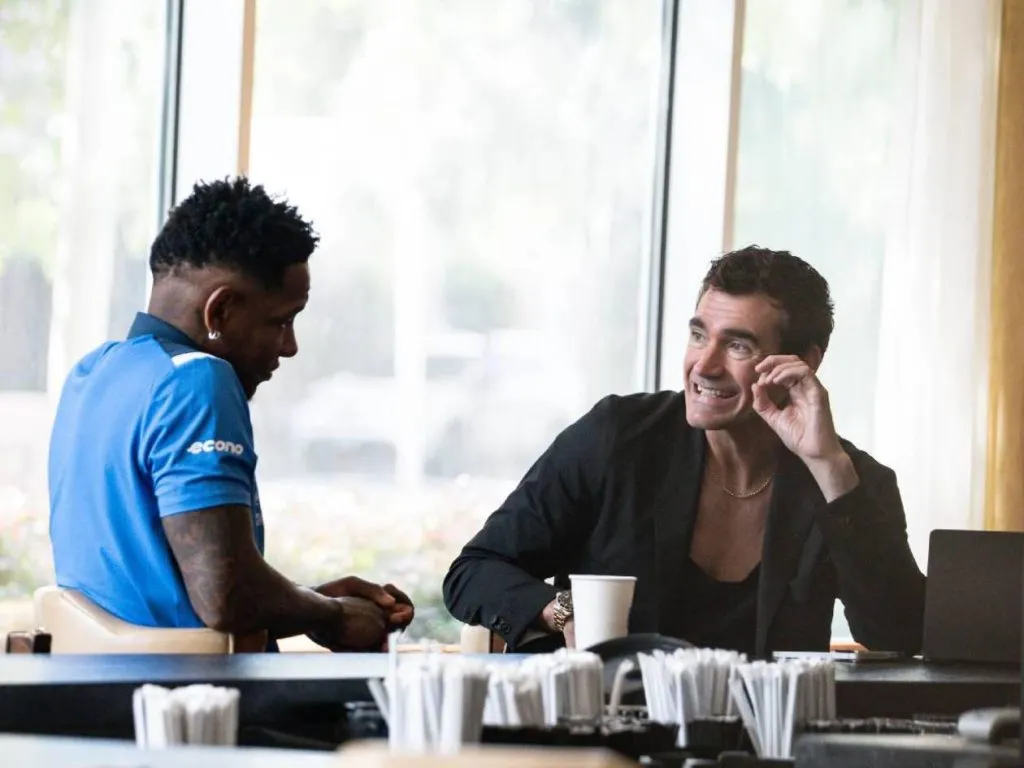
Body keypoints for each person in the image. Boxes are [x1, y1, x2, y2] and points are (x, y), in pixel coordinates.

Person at [443, 246, 925, 657]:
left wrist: (828, 467)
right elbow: (474, 571)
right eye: (699, 335)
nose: (704, 365)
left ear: (804, 362)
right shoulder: (617, 437)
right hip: (609, 742)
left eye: (738, 345)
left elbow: (900, 634)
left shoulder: (850, 480)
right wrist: (563, 611)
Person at [49, 177, 413, 652]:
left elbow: (175, 597)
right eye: (281, 320)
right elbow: (224, 596)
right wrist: (334, 617)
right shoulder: (197, 380)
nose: (290, 346)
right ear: (219, 312)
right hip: (198, 709)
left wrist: (310, 602)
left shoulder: (93, 374)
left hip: (107, 698)